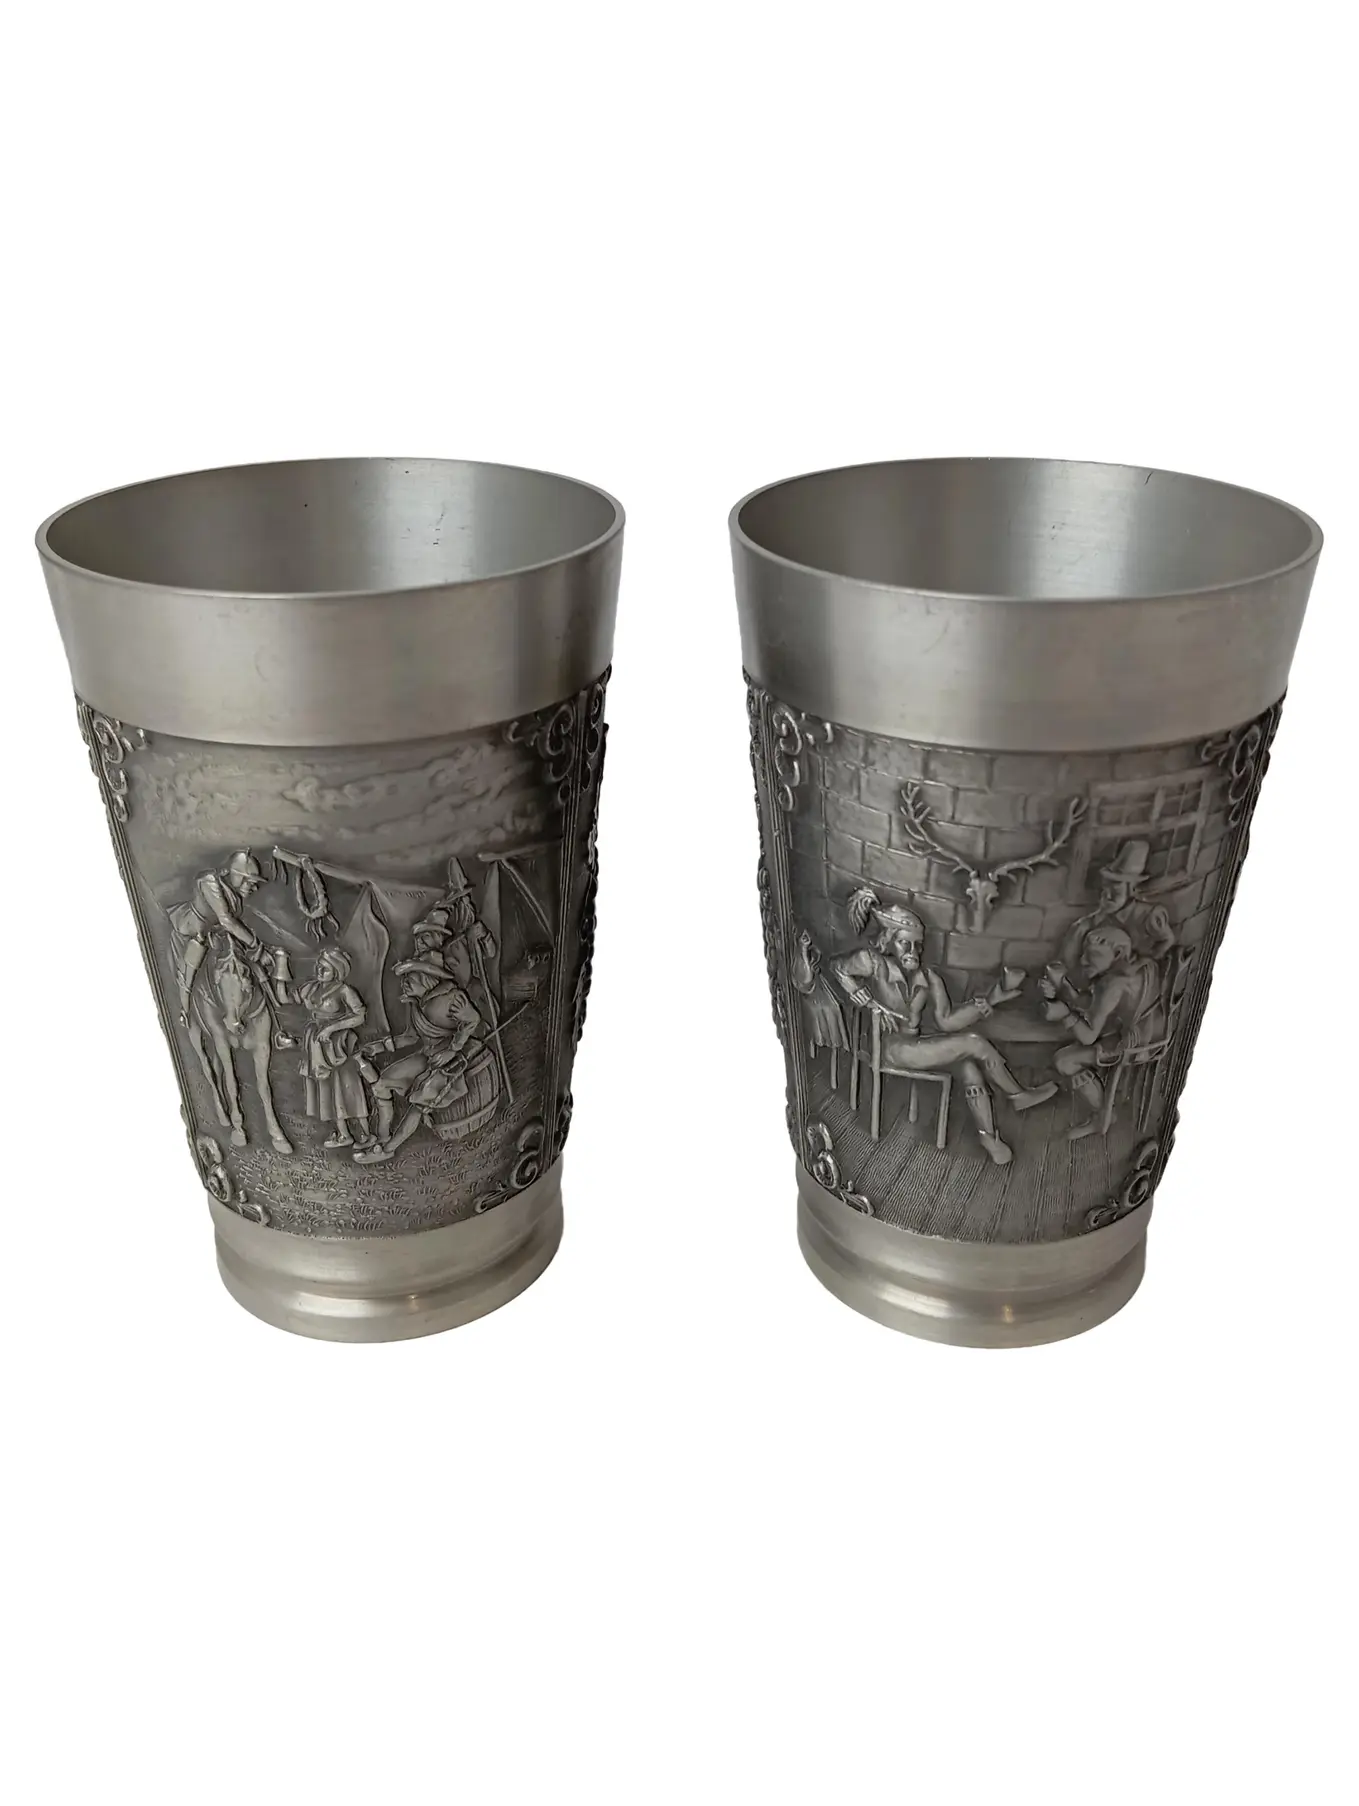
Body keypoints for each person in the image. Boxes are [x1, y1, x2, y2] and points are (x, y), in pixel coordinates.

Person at [832, 891, 1056, 1165]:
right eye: (904, 943)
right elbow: (838, 967)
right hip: (890, 1046)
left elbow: (947, 1021)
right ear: (888, 940)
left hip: (914, 1045)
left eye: (918, 945)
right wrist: (868, 1001)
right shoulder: (873, 962)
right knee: (973, 1043)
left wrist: (991, 1000)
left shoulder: (929, 977)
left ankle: (989, 1137)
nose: (912, 951)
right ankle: (1017, 1094)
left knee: (969, 1067)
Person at [352, 958, 486, 1163]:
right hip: (428, 1055)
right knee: (382, 1083)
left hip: (452, 1059)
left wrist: (452, 1049)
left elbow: (473, 1019)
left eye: (410, 978)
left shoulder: (452, 997)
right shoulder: (415, 1004)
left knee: (421, 1098)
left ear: (426, 978)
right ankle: (382, 1137)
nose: (404, 983)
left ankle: (388, 1148)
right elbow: (411, 1037)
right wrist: (379, 1047)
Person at [1041, 924, 1164, 1139]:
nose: (1083, 961)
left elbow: (1088, 1037)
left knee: (1064, 1060)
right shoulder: (1142, 966)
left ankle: (1103, 1115)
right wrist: (1065, 988)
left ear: (1117, 953)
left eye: (1092, 956)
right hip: (1153, 1034)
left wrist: (1065, 1014)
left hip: (1131, 1045)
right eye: (1083, 955)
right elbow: (1096, 1006)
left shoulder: (1111, 984)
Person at [167, 850, 273, 1028]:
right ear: (237, 876)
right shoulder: (209, 882)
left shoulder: (234, 893)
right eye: (250, 882)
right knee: (189, 973)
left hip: (217, 933)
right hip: (193, 932)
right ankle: (184, 1010)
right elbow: (226, 920)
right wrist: (255, 945)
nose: (254, 888)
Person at [1057, 839, 1177, 971]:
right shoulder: (1108, 914)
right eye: (1105, 890)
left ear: (1131, 891)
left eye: (1115, 892)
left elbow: (1168, 940)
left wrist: (1140, 963)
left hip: (1136, 970)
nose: (1107, 896)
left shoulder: (1150, 915)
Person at [298, 949, 371, 1149]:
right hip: (317, 1047)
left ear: (337, 971)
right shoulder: (312, 988)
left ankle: (366, 1133)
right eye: (319, 966)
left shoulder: (344, 990)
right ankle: (343, 1134)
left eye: (326, 969)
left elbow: (360, 1016)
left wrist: (331, 1028)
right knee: (328, 1091)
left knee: (348, 1088)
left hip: (339, 1046)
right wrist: (279, 968)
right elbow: (285, 999)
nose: (320, 971)